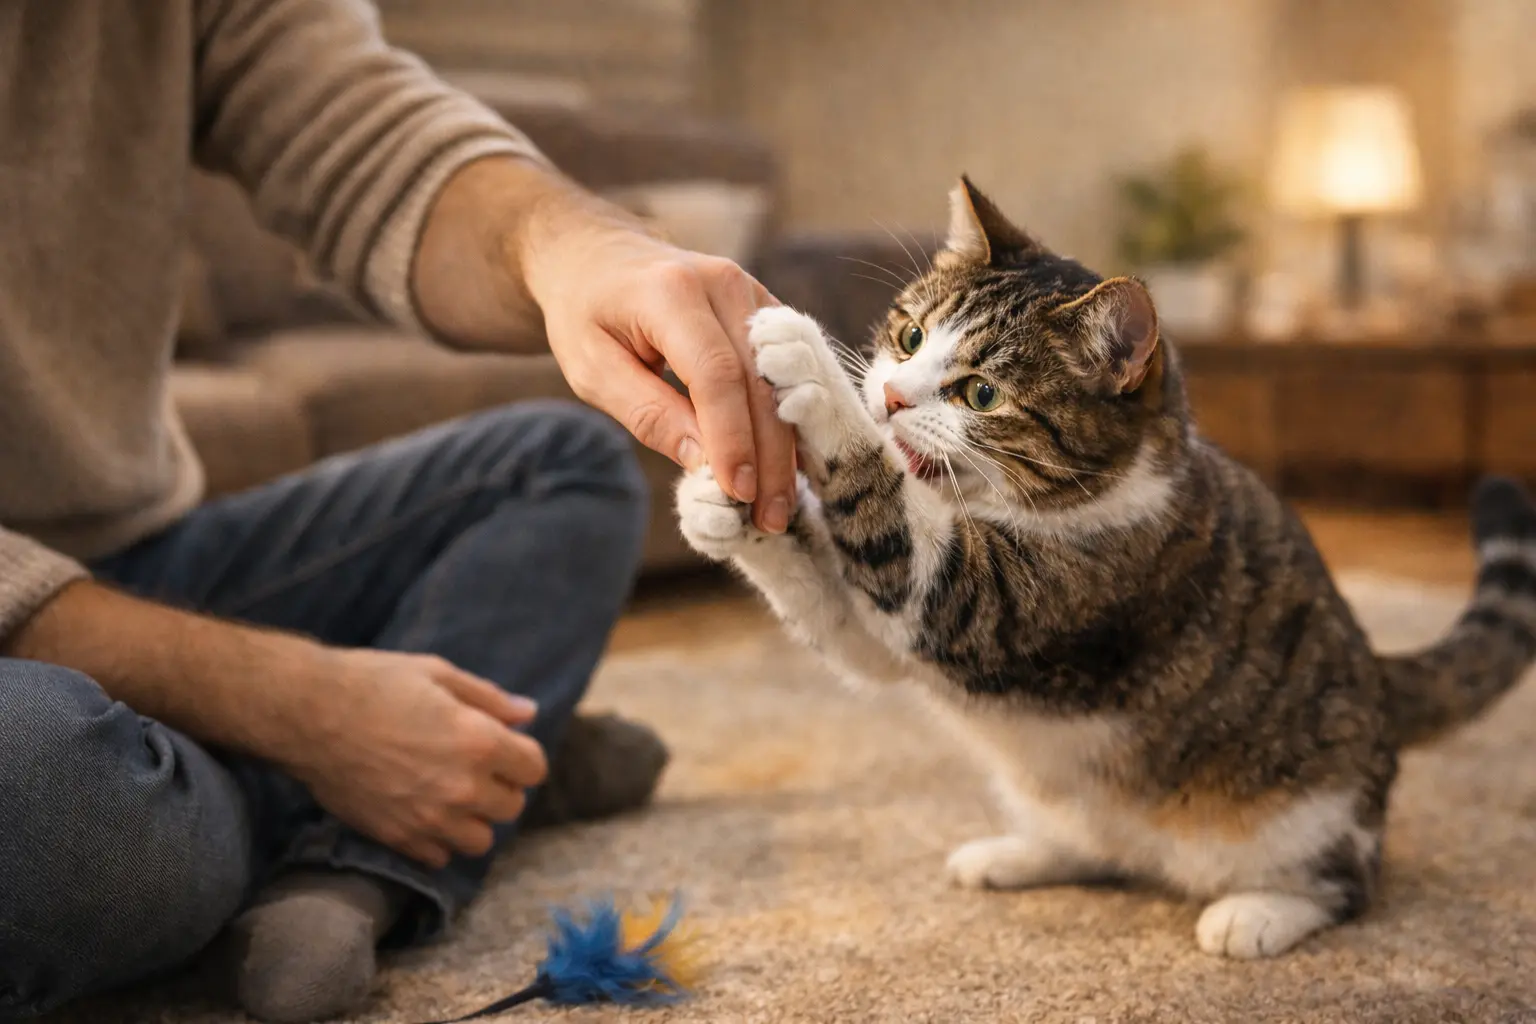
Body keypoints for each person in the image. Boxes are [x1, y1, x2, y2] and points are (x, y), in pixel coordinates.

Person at [0, 2, 798, 1022]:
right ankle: (478, 766)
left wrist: (576, 250)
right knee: (61, 806)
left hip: (137, 551)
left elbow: (364, 132)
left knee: (560, 464)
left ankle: (348, 835)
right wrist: (308, 712)